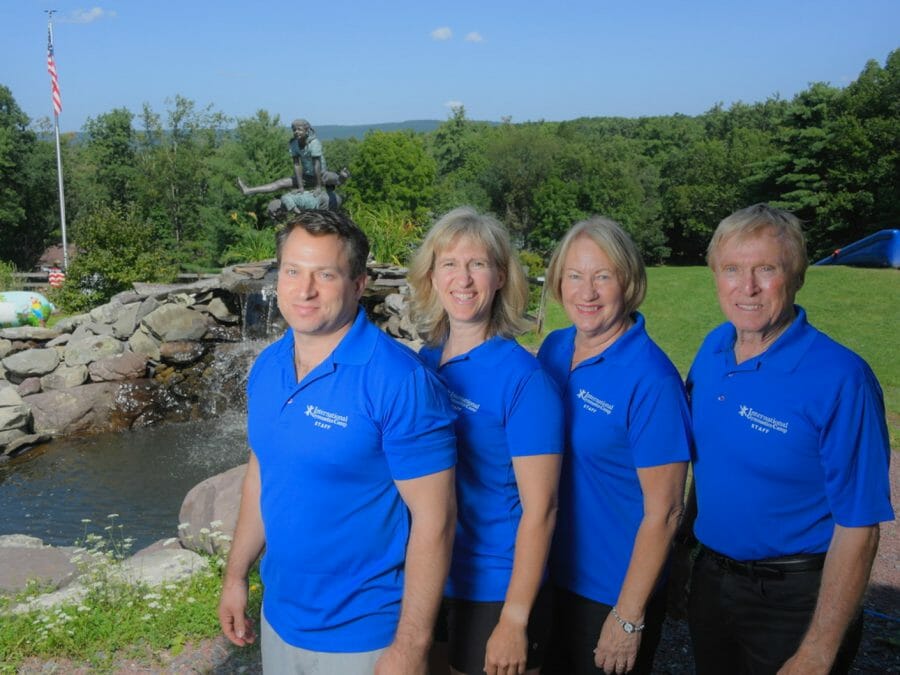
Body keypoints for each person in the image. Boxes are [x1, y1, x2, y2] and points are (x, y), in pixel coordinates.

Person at [218, 209, 458, 674]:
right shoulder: (268, 366)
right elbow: (262, 473)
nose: (304, 290)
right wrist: (235, 575)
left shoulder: (399, 380)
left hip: (364, 637)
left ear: (358, 284)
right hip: (280, 620)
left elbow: (437, 521)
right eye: (292, 271)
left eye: (325, 275)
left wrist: (410, 647)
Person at [682, 203, 894, 674]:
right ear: (716, 275)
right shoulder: (714, 348)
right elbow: (712, 463)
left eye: (766, 269)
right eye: (733, 269)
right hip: (713, 582)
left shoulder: (842, 379)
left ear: (796, 276)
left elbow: (859, 525)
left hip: (796, 600)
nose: (748, 287)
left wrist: (818, 649)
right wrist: (681, 552)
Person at [408, 207, 564, 675]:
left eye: (478, 264)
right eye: (449, 264)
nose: (464, 278)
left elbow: (543, 510)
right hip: (430, 573)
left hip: (495, 585)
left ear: (500, 276)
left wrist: (514, 619)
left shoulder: (524, 380)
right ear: (432, 277)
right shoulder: (426, 360)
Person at [537, 216, 692, 675]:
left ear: (629, 282)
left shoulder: (652, 380)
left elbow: (665, 511)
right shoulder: (553, 348)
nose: (587, 293)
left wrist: (627, 618)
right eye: (575, 276)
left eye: (603, 276)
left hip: (608, 592)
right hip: (548, 572)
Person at [237, 118, 327, 196]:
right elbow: (296, 165)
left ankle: (341, 177)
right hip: (306, 177)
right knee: (280, 183)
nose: (296, 132)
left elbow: (317, 165)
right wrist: (300, 187)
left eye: (299, 129)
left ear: (306, 131)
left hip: (321, 175)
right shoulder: (294, 143)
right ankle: (248, 190)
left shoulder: (314, 143)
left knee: (336, 179)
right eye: (294, 130)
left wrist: (318, 187)